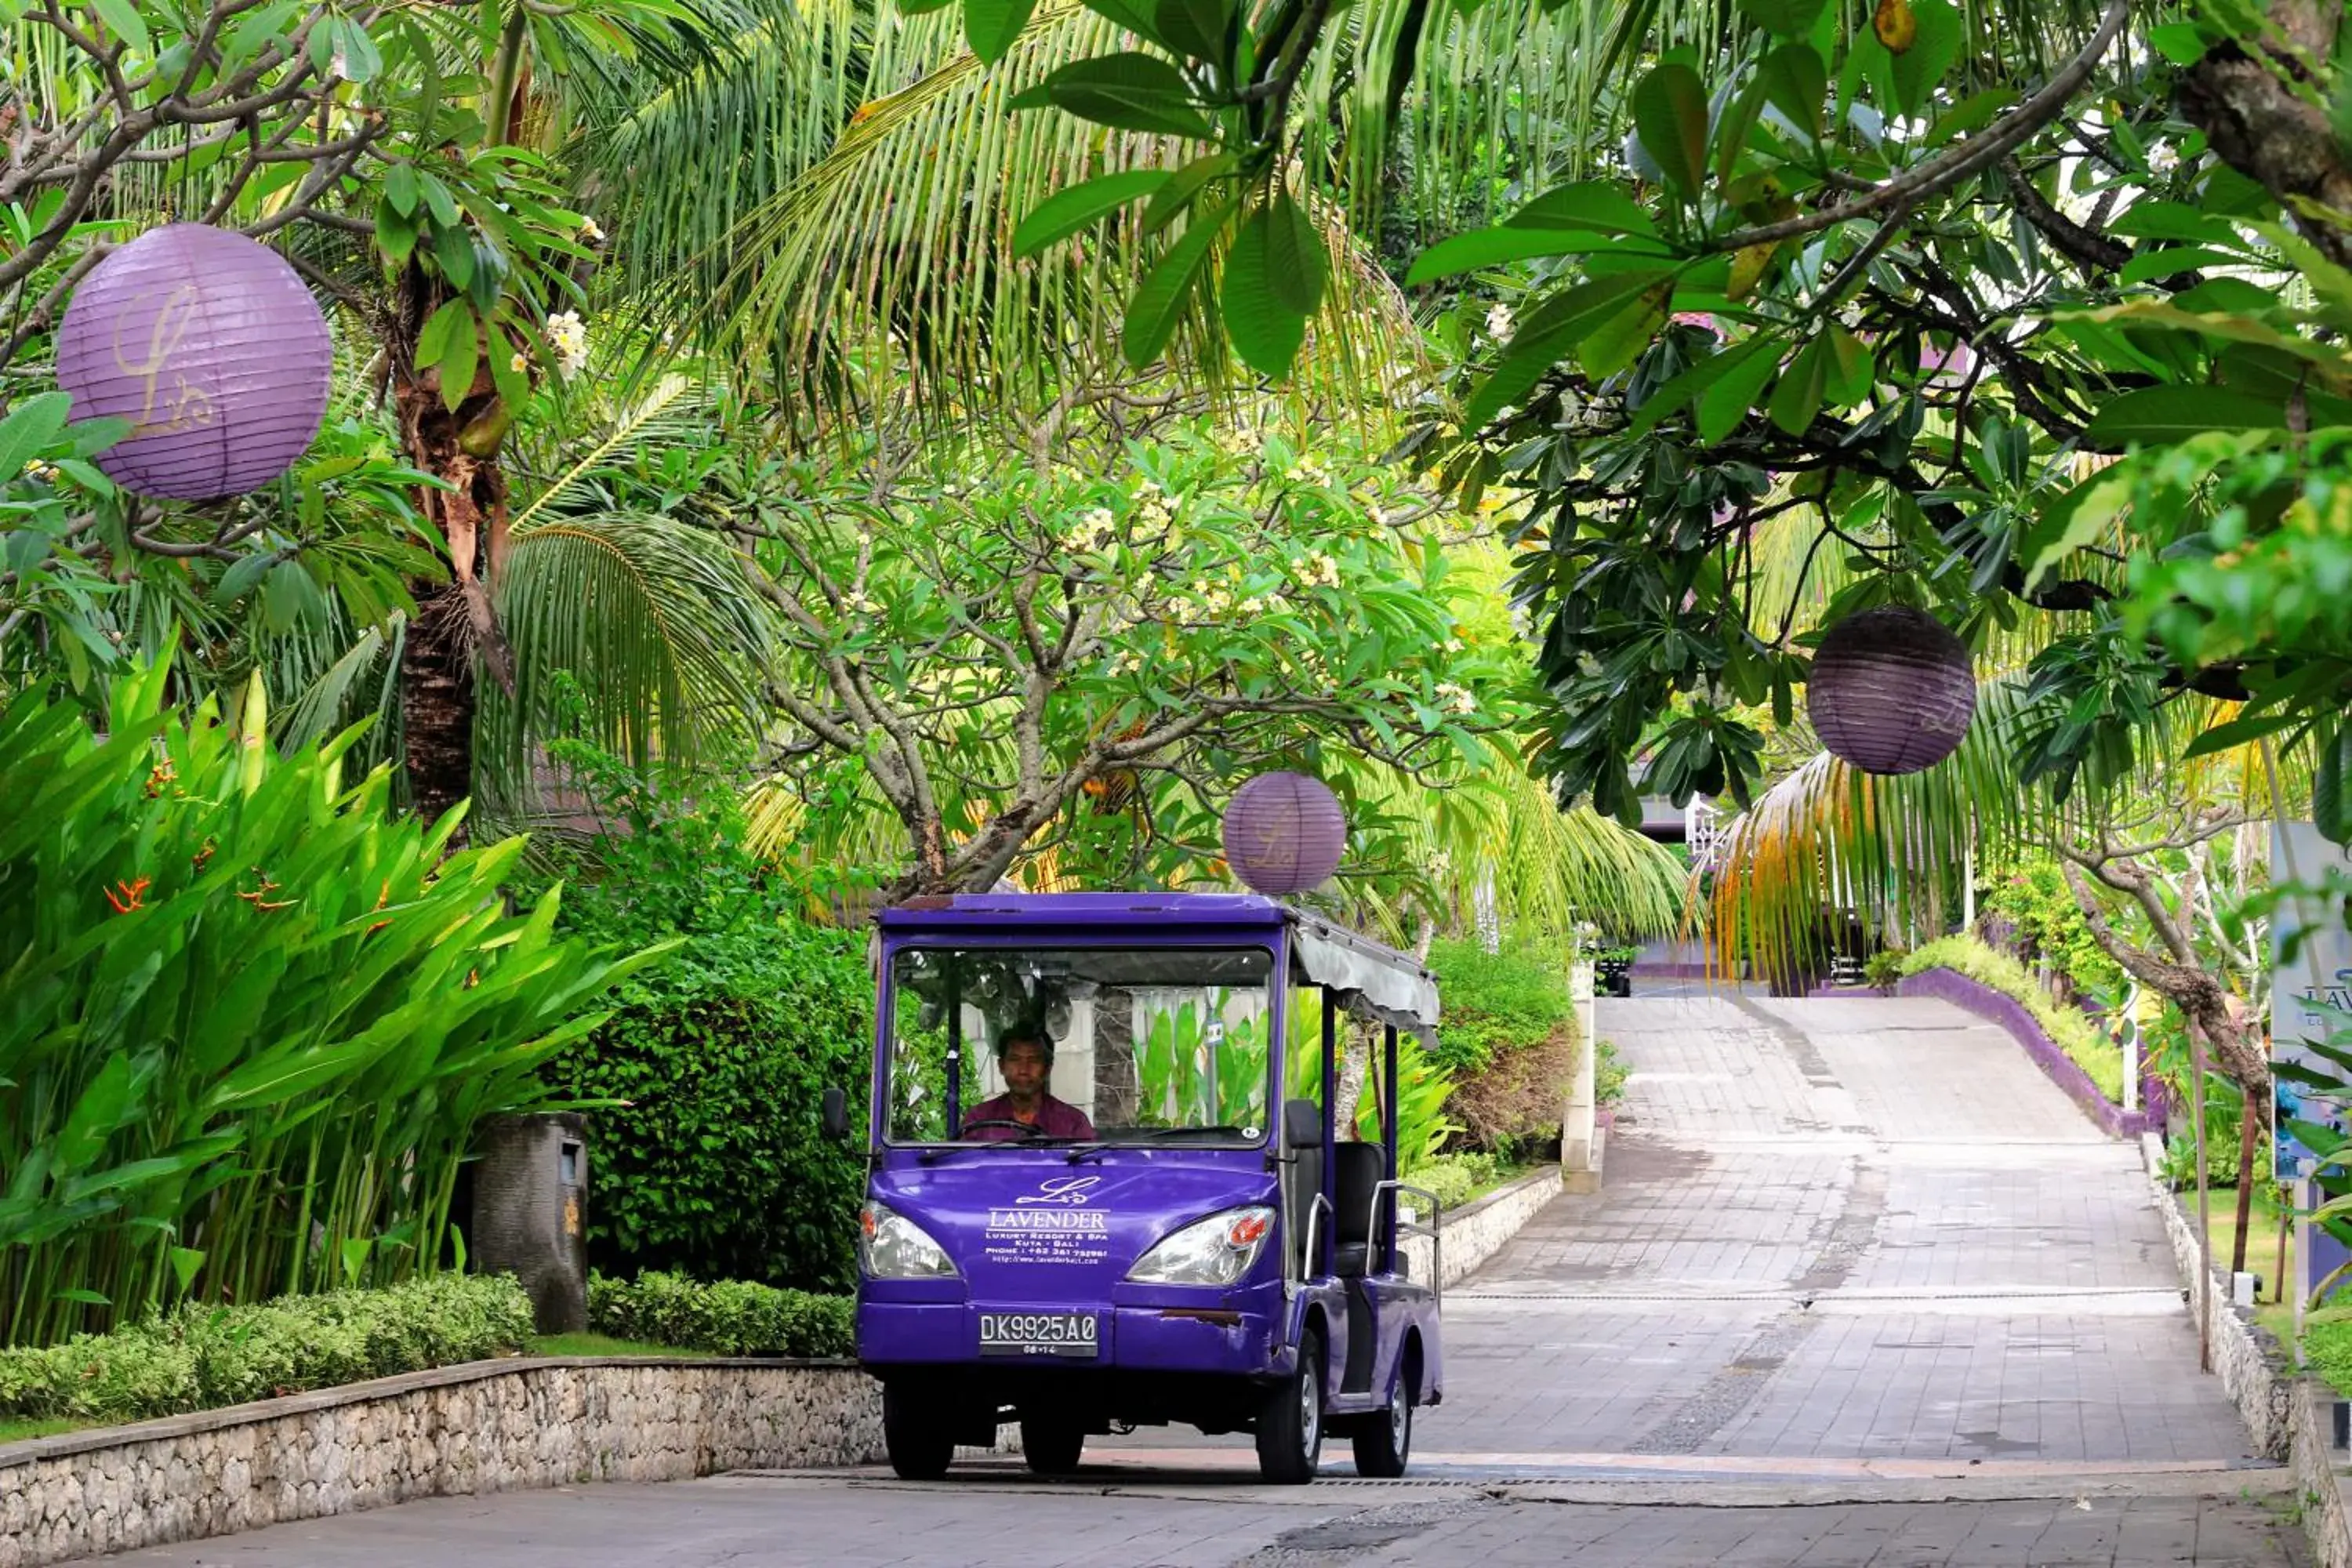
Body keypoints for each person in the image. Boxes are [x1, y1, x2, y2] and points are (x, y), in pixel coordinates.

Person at [962, 1028, 1095, 1142]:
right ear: (1001, 1066)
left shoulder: (1073, 1123)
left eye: (1033, 1060)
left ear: (1048, 1068)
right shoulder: (978, 1120)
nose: (1023, 1070)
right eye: (1015, 1060)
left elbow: (1089, 1168)